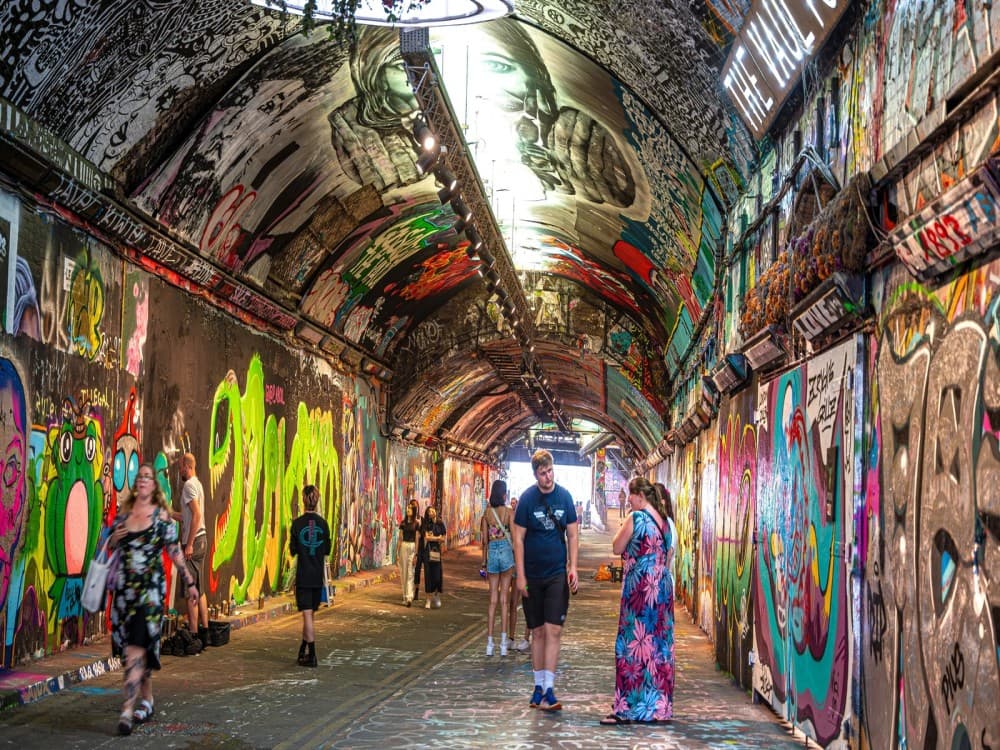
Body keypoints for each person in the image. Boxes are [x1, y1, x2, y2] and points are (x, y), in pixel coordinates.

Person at [107, 463, 200, 736]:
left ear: (154, 485)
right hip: (124, 596)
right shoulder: (124, 516)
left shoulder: (161, 517)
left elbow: (175, 552)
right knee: (135, 651)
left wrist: (190, 581)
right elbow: (109, 547)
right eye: (140, 477)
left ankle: (126, 711)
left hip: (148, 597)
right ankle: (147, 700)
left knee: (135, 650)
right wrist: (114, 539)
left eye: (148, 477)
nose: (144, 480)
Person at [600, 476, 674, 725]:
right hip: (662, 589)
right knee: (658, 648)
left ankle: (627, 708)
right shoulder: (665, 522)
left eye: (630, 495)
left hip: (640, 589)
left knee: (631, 645)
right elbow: (668, 556)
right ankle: (658, 708)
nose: (628, 500)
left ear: (640, 496)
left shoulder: (637, 518)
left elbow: (616, 547)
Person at [513, 449, 579, 711]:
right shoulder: (527, 500)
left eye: (550, 471)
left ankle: (550, 688)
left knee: (554, 630)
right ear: (535, 475)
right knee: (537, 631)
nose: (548, 477)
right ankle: (538, 686)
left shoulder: (565, 497)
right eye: (543, 473)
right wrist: (520, 575)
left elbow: (572, 534)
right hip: (532, 573)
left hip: (556, 574)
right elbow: (518, 539)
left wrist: (573, 567)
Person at [290, 484, 332, 667]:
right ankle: (303, 649)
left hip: (304, 576)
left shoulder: (297, 524)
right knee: (310, 616)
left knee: (307, 616)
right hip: (317, 577)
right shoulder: (323, 524)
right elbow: (327, 550)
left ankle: (312, 654)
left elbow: (293, 550)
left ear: (303, 500)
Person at [170, 452, 208, 651]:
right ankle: (205, 632)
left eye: (180, 467)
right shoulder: (198, 484)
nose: (179, 470)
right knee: (199, 590)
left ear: (187, 466)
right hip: (202, 539)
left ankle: (193, 636)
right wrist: (170, 513)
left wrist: (189, 544)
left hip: (195, 541)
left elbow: (197, 515)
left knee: (191, 591)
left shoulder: (188, 486)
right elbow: (186, 516)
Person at [480, 480, 514, 656]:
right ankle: (503, 645)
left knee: (492, 600)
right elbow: (514, 537)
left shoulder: (487, 514)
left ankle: (489, 644)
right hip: (506, 552)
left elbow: (484, 541)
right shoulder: (509, 513)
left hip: (492, 552)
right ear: (504, 494)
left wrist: (483, 562)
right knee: (504, 600)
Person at [506, 497, 530, 652]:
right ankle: (511, 637)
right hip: (516, 569)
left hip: (528, 570)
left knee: (529, 602)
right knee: (513, 602)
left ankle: (526, 638)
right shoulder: (513, 522)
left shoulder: (530, 524)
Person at [421, 506, 446, 609]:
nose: (431, 512)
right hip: (428, 551)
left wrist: (437, 538)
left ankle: (436, 594)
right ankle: (428, 599)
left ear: (435, 511)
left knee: (437, 576)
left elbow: (443, 538)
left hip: (437, 552)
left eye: (432, 511)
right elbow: (427, 537)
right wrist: (437, 538)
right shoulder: (427, 524)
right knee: (428, 575)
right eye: (429, 512)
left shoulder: (440, 523)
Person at [655, 482, 678, 592]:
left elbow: (667, 558)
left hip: (661, 587)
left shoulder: (666, 525)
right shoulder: (664, 523)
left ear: (662, 502)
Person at [397, 499, 420, 606]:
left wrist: (416, 554)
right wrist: (397, 553)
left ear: (414, 511)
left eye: (410, 508)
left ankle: (409, 596)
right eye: (407, 508)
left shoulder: (416, 524)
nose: (408, 510)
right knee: (404, 572)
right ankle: (405, 596)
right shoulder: (403, 523)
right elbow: (400, 538)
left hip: (412, 547)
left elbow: (417, 539)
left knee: (410, 572)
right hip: (404, 546)